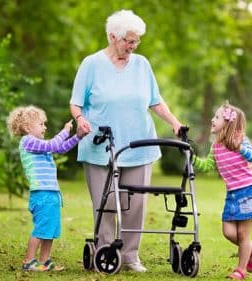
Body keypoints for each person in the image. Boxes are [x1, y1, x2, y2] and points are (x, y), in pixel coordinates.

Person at [69, 9, 182, 273]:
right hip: (100, 146)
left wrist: (174, 122)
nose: (132, 47)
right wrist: (80, 119)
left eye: (136, 41)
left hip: (140, 144)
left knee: (136, 203)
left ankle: (130, 256)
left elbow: (155, 100)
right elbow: (76, 103)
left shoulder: (142, 64)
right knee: (105, 203)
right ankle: (106, 252)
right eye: (128, 41)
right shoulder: (91, 64)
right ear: (112, 37)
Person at [193, 101, 252, 280]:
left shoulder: (241, 140)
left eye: (217, 117)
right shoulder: (215, 147)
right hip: (232, 194)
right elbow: (207, 166)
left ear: (228, 123)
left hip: (249, 192)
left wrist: (240, 148)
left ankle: (240, 271)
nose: (213, 119)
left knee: (243, 234)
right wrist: (192, 159)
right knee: (228, 232)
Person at [6, 105, 88, 272]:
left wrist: (77, 137)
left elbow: (60, 147)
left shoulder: (39, 144)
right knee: (41, 228)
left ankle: (44, 261)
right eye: (41, 124)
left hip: (51, 193)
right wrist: (65, 131)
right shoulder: (28, 142)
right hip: (41, 194)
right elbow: (53, 144)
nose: (45, 127)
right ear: (28, 127)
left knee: (50, 228)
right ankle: (29, 261)